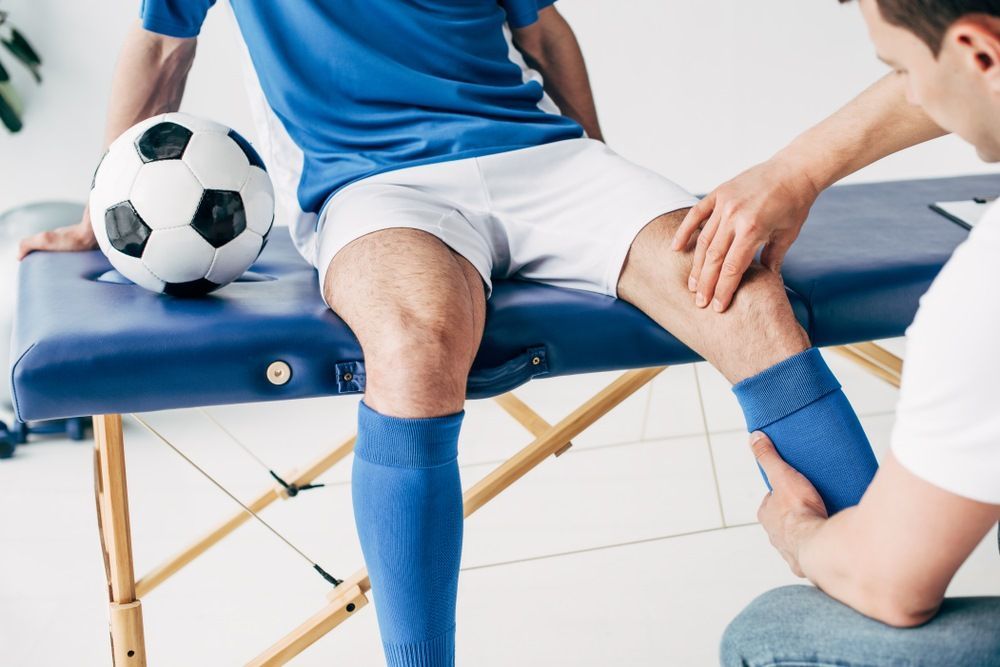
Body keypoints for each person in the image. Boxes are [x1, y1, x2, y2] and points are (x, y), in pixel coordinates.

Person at [19, 2, 880, 665]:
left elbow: (544, 33)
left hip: (546, 159)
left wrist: (600, 168)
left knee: (743, 290)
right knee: (416, 343)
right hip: (375, 182)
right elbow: (162, 47)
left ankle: (882, 584)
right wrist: (105, 212)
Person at [720, 1, 1000, 665]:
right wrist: (799, 168)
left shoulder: (983, 289)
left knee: (767, 636)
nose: (912, 93)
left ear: (981, 53)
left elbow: (891, 587)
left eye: (901, 69)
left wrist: (800, 532)